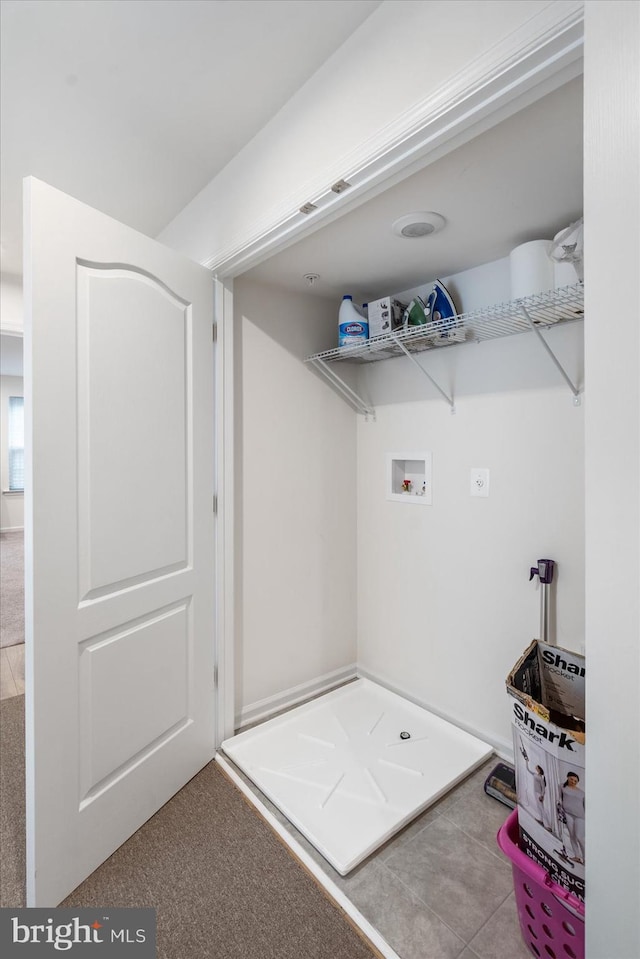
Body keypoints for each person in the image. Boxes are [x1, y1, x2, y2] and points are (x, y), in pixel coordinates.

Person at [560, 771, 585, 864]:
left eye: (575, 781)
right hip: (568, 814)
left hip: (580, 816)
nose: (573, 782)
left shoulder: (582, 793)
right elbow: (559, 798)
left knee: (579, 837)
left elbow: (585, 806)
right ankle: (577, 856)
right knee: (572, 835)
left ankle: (585, 859)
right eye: (572, 779)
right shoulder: (562, 786)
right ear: (567, 777)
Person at [525, 761, 552, 830]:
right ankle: (541, 820)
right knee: (539, 807)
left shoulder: (541, 778)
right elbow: (527, 769)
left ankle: (548, 825)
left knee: (542, 808)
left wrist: (542, 795)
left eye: (537, 768)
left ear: (539, 769)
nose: (536, 769)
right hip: (535, 792)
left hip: (539, 794)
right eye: (536, 768)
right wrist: (526, 761)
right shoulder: (535, 774)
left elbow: (543, 788)